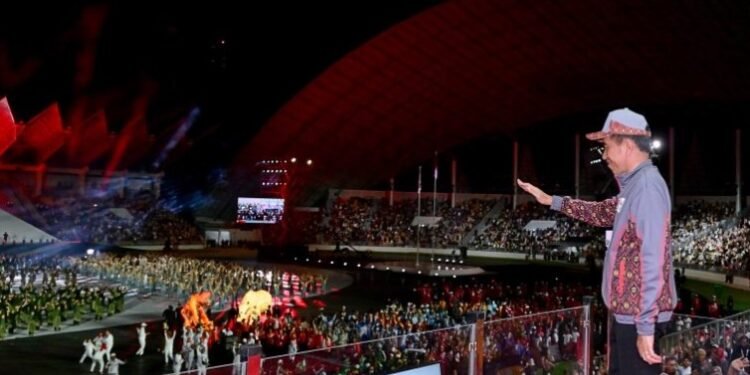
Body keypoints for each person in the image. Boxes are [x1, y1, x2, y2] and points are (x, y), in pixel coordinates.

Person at [518, 108, 677, 374]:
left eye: (606, 146)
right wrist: (552, 201)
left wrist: (645, 327)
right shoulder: (635, 187)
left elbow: (654, 259)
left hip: (638, 319)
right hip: (630, 315)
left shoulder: (646, 188)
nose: (603, 156)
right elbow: (602, 212)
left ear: (627, 145)